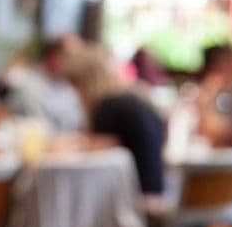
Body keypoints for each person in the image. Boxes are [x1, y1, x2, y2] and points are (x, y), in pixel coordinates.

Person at [63, 45, 165, 196]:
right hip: (155, 188)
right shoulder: (130, 98)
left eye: (76, 86)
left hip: (137, 198)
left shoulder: (109, 107)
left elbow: (94, 156)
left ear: (86, 82)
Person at [7, 37, 86, 132]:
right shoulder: (30, 86)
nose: (77, 63)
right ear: (53, 56)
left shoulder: (70, 85)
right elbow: (40, 129)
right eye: (71, 58)